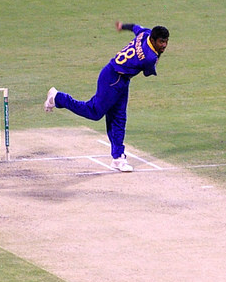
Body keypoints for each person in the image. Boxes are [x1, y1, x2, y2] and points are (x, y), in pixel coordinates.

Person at [44, 21, 169, 172]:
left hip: (122, 80)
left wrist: (122, 26)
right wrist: (158, 56)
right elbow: (148, 73)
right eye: (161, 42)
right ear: (154, 40)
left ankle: (118, 158)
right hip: (112, 79)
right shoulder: (150, 58)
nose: (164, 45)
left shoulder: (145, 33)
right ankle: (58, 97)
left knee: (119, 118)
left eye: (166, 41)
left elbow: (135, 27)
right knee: (94, 112)